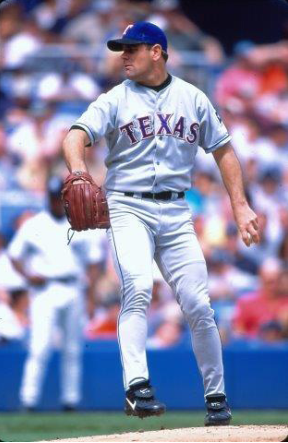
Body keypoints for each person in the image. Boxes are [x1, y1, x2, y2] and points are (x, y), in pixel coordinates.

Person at [62, 22, 259, 425]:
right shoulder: (115, 98)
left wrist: (240, 207)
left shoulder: (193, 98)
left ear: (157, 52)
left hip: (175, 211)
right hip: (127, 206)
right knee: (137, 285)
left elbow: (224, 151)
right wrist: (79, 171)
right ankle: (137, 388)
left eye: (132, 49)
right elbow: (76, 135)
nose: (124, 56)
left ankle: (217, 399)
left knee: (199, 305)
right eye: (121, 50)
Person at [8, 176, 107, 411]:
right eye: (52, 198)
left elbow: (94, 263)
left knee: (72, 348)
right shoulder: (35, 224)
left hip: (74, 287)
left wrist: (91, 297)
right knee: (39, 346)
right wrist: (28, 275)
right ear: (47, 199)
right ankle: (28, 400)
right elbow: (14, 254)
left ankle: (70, 401)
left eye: (59, 198)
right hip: (45, 289)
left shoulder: (79, 222)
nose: (55, 202)